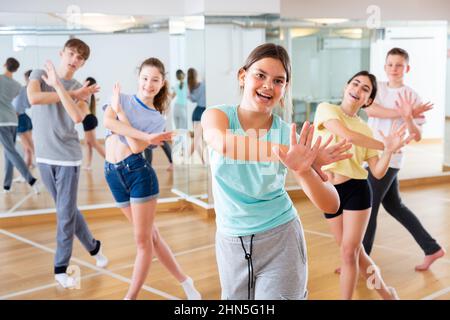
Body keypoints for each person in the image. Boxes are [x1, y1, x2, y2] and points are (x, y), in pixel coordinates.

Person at [201, 43, 352, 300]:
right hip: (230, 242)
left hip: (281, 238)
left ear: (285, 89)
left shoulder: (288, 134)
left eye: (278, 80)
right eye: (260, 75)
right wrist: (290, 154)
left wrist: (303, 169)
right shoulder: (218, 115)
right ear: (242, 76)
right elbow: (223, 143)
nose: (268, 85)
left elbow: (331, 204)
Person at [103, 57, 201, 300]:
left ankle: (131, 297)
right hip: (112, 174)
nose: (149, 84)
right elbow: (107, 122)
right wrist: (144, 136)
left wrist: (123, 115)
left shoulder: (156, 118)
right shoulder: (120, 97)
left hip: (138, 174)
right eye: (145, 78)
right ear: (138, 78)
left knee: (143, 241)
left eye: (155, 80)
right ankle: (186, 281)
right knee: (152, 237)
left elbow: (136, 148)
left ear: (162, 83)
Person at [313, 70, 413, 300]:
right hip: (329, 191)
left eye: (365, 89)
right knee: (355, 254)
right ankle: (387, 293)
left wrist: (388, 151)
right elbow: (346, 135)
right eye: (355, 84)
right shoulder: (326, 109)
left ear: (368, 100)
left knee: (349, 253)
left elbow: (377, 172)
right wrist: (383, 144)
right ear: (346, 87)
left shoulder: (365, 129)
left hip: (356, 191)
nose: (357, 90)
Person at [27, 39, 108, 288]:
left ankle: (61, 267)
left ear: (83, 63)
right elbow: (34, 98)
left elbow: (76, 116)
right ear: (62, 53)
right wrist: (67, 92)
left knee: (64, 214)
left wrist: (66, 90)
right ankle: (94, 247)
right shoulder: (40, 75)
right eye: (71, 53)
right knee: (68, 210)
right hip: (44, 156)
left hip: (67, 158)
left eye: (80, 57)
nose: (74, 59)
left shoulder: (79, 87)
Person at [363, 47, 445, 271]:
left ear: (407, 68)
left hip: (391, 159)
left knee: (368, 207)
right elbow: (372, 112)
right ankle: (432, 248)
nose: (394, 69)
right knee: (395, 205)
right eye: (390, 64)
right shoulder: (377, 88)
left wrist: (409, 117)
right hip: (372, 155)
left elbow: (417, 135)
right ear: (384, 67)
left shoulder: (412, 96)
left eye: (398, 65)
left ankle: (362, 260)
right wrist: (403, 113)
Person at [0, 58, 38, 193]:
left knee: (11, 151)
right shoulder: (17, 86)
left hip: (2, 121)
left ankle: (30, 179)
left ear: (5, 65)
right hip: (13, 120)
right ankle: (7, 185)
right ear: (16, 69)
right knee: (8, 152)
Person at [12, 69, 35, 171]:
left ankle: (26, 170)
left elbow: (16, 108)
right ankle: (29, 165)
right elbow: (28, 105)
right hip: (24, 118)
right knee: (28, 147)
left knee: (28, 147)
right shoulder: (29, 90)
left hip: (19, 119)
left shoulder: (23, 89)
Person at [81, 76, 105, 170]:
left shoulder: (86, 94)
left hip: (88, 120)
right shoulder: (89, 95)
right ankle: (88, 164)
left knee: (94, 143)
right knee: (88, 143)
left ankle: (111, 161)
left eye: (84, 83)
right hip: (89, 119)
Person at [187, 68, 206, 164]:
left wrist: (189, 93)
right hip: (202, 112)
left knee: (197, 139)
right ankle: (184, 159)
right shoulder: (203, 85)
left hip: (196, 112)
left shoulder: (192, 87)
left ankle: (203, 160)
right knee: (196, 139)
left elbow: (193, 99)